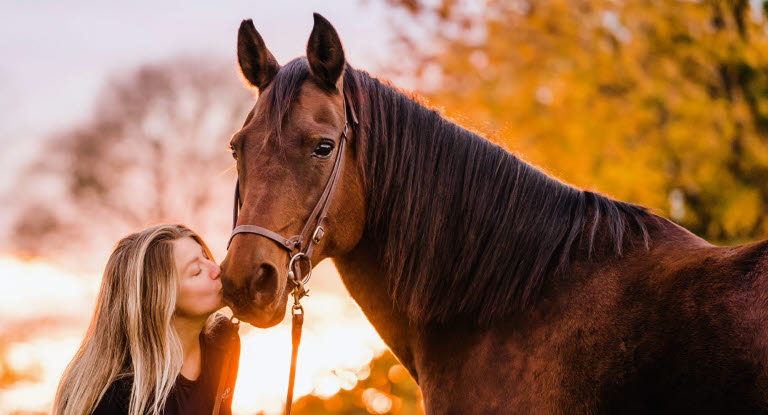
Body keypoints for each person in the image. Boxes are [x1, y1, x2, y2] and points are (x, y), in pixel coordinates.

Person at [54, 224, 240, 415]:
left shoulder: (222, 339)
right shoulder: (113, 399)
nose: (217, 269)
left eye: (206, 257)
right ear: (160, 300)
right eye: (196, 271)